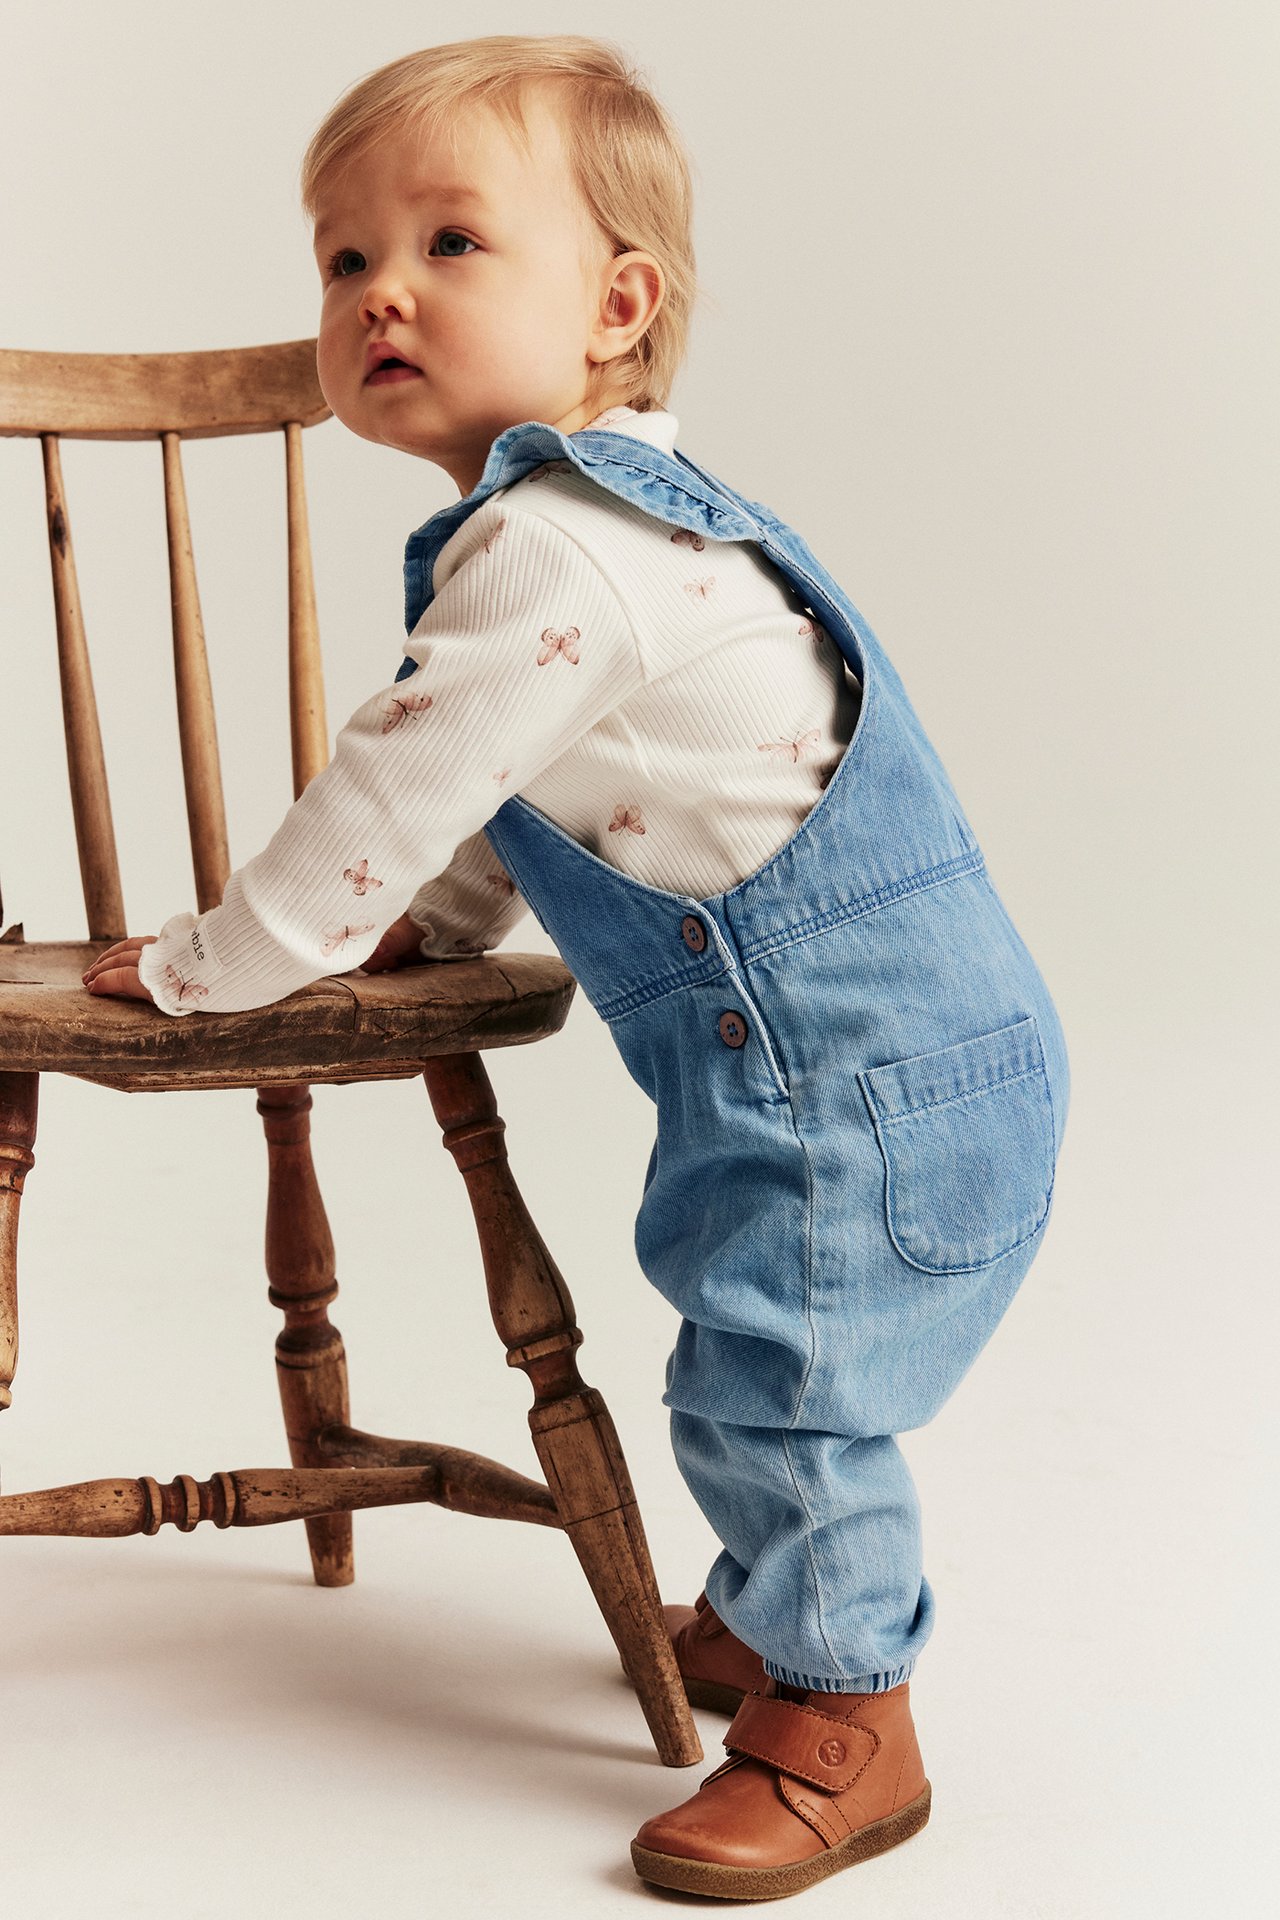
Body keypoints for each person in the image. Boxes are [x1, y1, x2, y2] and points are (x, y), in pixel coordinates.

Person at [80, 33, 1070, 1902]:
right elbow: (502, 790)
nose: (380, 291)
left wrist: (214, 964)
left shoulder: (559, 550)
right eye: (345, 256)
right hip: (894, 1054)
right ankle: (779, 1614)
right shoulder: (605, 524)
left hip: (850, 1083)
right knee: (751, 1359)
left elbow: (392, 784)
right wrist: (435, 929)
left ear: (618, 307)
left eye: (451, 242)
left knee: (779, 1389)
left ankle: (848, 1721)